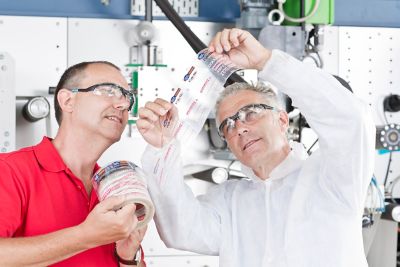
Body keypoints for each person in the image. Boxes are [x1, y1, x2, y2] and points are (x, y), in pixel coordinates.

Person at [137, 28, 375, 267]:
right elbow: (181, 229)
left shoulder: (330, 178)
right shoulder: (230, 201)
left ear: (282, 120)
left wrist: (266, 61)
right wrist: (162, 147)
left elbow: (352, 121)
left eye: (250, 113)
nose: (239, 128)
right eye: (227, 126)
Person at [0, 61, 147, 266]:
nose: (122, 104)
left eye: (127, 96)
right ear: (68, 100)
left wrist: (127, 257)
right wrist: (85, 236)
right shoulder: (10, 170)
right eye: (108, 90)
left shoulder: (114, 189)